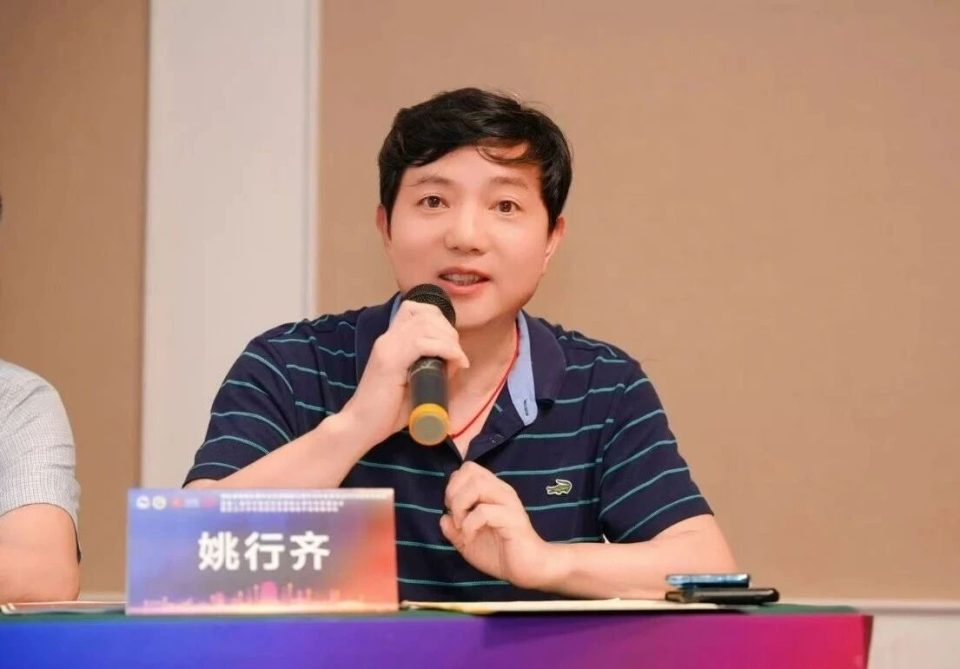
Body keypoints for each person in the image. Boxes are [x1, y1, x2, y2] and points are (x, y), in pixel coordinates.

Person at [185, 88, 735, 601]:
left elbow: (706, 567)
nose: (466, 237)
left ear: (551, 241)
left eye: (505, 206)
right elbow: (184, 560)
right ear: (386, 228)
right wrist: (357, 425)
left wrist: (545, 562)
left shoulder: (604, 386)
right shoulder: (289, 364)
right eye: (433, 201)